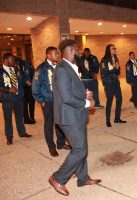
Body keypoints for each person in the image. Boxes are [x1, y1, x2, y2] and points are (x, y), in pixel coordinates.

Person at [49, 39, 101, 196]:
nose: (79, 52)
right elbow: (66, 97)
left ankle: (82, 178)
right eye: (77, 50)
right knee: (79, 149)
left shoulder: (71, 67)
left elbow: (71, 90)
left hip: (75, 114)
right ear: (70, 50)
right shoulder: (62, 69)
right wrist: (86, 102)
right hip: (69, 116)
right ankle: (58, 178)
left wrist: (83, 94)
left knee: (82, 147)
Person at [32, 46, 71, 157]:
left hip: (60, 99)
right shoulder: (41, 69)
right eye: (55, 54)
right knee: (49, 124)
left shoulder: (59, 66)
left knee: (60, 122)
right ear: (48, 55)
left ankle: (61, 143)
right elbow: (35, 87)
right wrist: (41, 100)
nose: (58, 55)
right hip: (48, 100)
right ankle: (51, 147)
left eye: (58, 53)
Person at [0, 53, 32, 145]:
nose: (14, 61)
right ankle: (9, 137)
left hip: (18, 98)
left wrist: (27, 82)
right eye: (12, 59)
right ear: (6, 60)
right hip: (7, 99)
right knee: (8, 119)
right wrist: (8, 89)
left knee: (20, 117)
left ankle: (22, 133)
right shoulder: (1, 71)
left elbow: (22, 80)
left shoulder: (16, 69)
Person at [100, 44, 126, 127]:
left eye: (115, 48)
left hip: (116, 82)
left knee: (119, 99)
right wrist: (113, 68)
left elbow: (117, 72)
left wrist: (117, 68)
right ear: (108, 50)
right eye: (113, 49)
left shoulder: (115, 58)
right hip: (108, 83)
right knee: (109, 101)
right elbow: (105, 72)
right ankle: (108, 120)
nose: (115, 50)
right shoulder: (104, 60)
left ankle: (117, 118)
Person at [17, 58, 36, 124]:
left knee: (31, 102)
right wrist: (25, 81)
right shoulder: (13, 67)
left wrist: (33, 81)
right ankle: (26, 119)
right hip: (21, 87)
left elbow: (33, 72)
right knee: (23, 103)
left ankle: (32, 117)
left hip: (30, 86)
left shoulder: (27, 63)